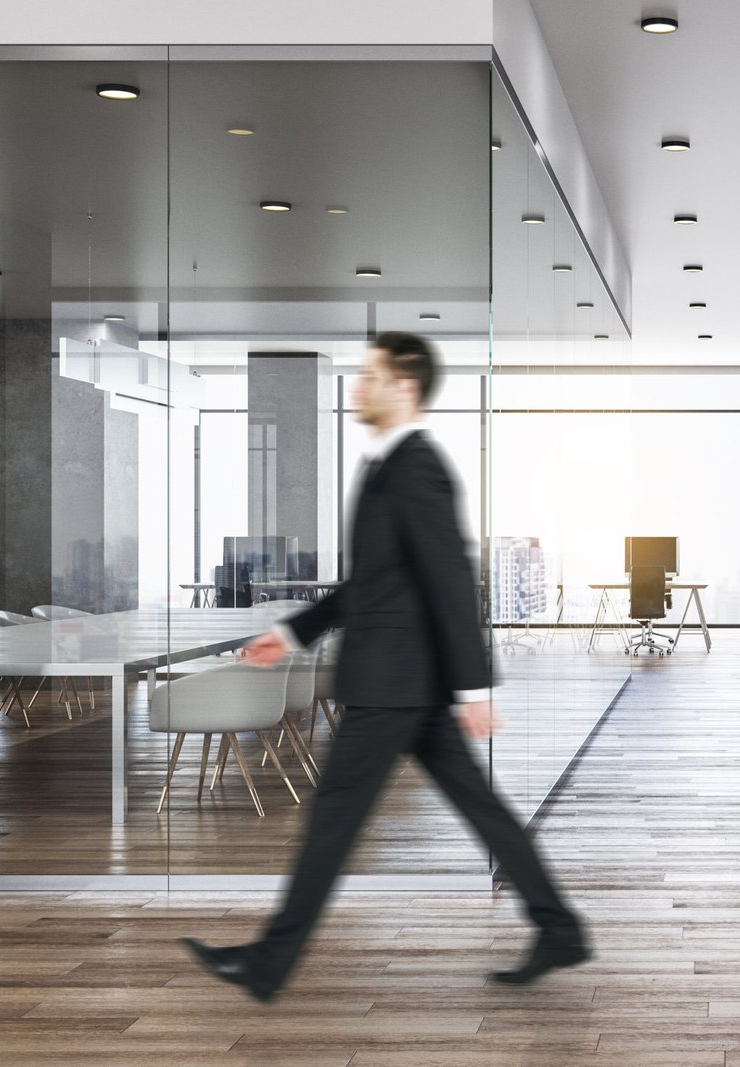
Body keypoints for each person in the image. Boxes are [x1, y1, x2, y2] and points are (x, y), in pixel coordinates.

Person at [181, 332, 588, 1002]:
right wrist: (291, 633)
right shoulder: (385, 466)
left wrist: (476, 686)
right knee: (477, 806)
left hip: (395, 683)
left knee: (335, 817)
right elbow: (371, 582)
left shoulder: (417, 467)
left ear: (404, 387)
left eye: (370, 375)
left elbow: (453, 580)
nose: (357, 385)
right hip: (408, 682)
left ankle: (269, 962)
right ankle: (559, 926)